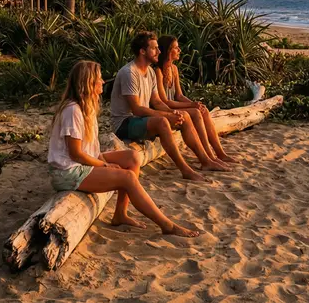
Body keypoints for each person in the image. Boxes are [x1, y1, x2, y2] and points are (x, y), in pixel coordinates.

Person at [48, 60, 200, 237]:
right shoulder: (73, 110)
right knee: (127, 177)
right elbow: (76, 154)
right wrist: (104, 165)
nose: (103, 81)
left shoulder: (87, 106)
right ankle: (167, 225)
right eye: (99, 78)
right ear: (89, 82)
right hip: (67, 172)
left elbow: (90, 149)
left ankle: (120, 213)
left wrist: (103, 162)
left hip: (81, 163)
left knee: (133, 157)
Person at [109, 31, 230, 182]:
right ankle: (185, 170)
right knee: (162, 122)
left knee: (184, 116)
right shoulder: (130, 73)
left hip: (140, 119)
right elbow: (137, 109)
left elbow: (157, 102)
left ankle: (206, 161)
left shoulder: (150, 72)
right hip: (124, 123)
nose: (159, 51)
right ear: (142, 51)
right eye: (154, 48)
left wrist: (173, 113)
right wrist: (167, 115)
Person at [154, 35, 236, 164]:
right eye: (176, 48)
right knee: (196, 112)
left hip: (175, 106)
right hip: (166, 109)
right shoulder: (158, 71)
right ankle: (209, 156)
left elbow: (179, 96)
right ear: (168, 51)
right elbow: (165, 101)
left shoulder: (174, 69)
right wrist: (192, 106)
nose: (179, 50)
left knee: (203, 110)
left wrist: (195, 103)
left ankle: (220, 153)